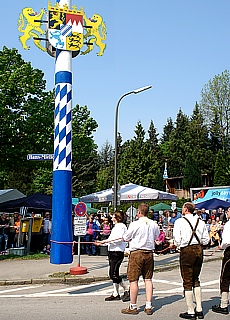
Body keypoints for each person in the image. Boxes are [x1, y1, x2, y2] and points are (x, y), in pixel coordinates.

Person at [121, 203, 160, 315]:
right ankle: (148, 305)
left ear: (139, 212)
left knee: (133, 280)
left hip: (137, 252)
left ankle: (133, 306)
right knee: (148, 279)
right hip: (149, 252)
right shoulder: (153, 224)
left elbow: (126, 237)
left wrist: (126, 238)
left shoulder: (134, 224)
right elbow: (157, 236)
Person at [172, 202, 209, 319]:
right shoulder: (201, 222)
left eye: (183, 207)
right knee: (196, 279)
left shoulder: (180, 222)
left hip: (187, 251)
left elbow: (177, 240)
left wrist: (178, 245)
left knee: (187, 280)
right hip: (198, 249)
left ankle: (190, 311)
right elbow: (206, 240)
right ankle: (199, 309)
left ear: (186, 209)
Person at [96, 211, 130, 302]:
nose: (111, 218)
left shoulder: (121, 227)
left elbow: (118, 240)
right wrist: (103, 242)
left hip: (117, 252)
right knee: (115, 272)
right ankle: (116, 293)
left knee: (113, 274)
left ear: (117, 218)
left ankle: (127, 288)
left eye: (113, 216)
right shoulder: (116, 227)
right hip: (112, 251)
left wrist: (104, 242)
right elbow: (112, 239)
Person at [212, 206, 230, 315]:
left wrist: (221, 246)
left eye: (228, 211)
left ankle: (223, 305)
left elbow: (227, 241)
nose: (226, 213)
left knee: (225, 278)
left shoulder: (228, 224)